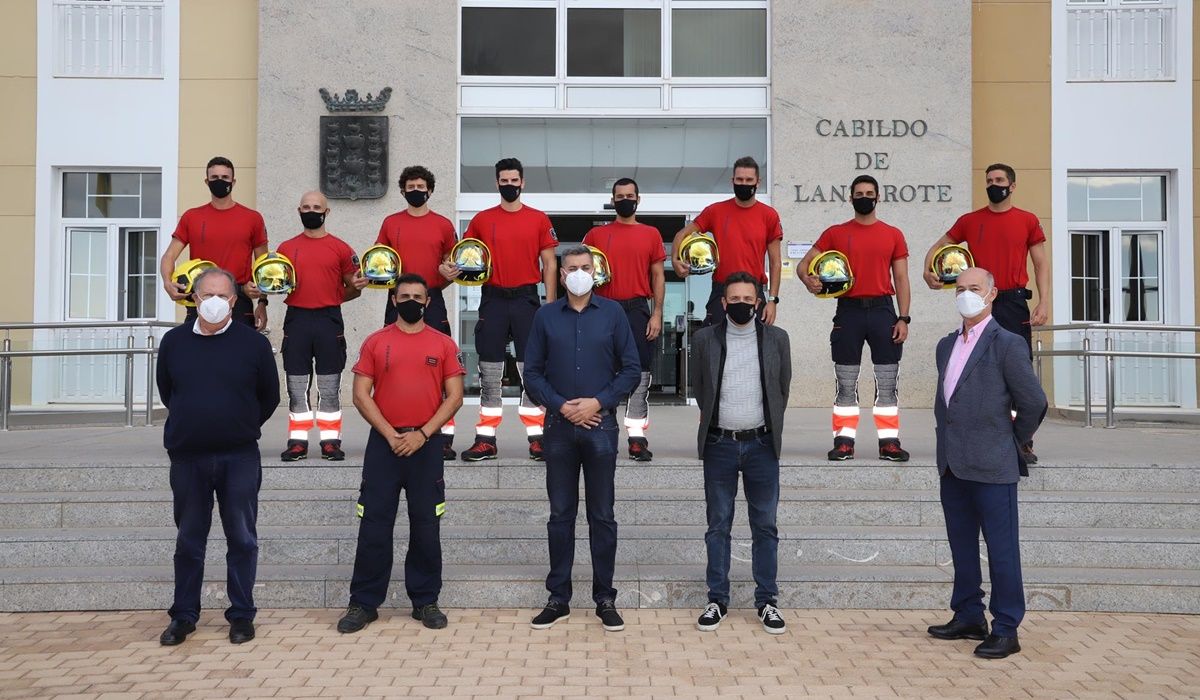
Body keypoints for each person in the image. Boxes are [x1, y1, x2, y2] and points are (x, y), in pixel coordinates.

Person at [154, 267, 280, 646]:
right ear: (193, 298)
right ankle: (184, 616)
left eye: (223, 296)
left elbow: (269, 397)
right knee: (189, 540)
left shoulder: (253, 344)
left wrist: (238, 423)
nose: (214, 302)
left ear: (234, 301)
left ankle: (241, 615)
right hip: (188, 457)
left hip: (238, 456)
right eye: (206, 295)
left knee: (242, 538)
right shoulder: (174, 342)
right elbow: (167, 391)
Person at [336, 273, 466, 633]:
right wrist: (392, 435)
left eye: (418, 296)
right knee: (374, 527)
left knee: (426, 527)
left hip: (425, 447)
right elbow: (361, 394)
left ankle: (425, 601)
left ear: (427, 302)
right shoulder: (376, 342)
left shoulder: (442, 343)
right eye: (404, 295)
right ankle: (363, 603)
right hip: (384, 446)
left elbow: (454, 395)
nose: (411, 300)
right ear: (393, 300)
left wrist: (423, 434)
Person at [522, 245, 640, 631]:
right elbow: (533, 373)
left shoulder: (613, 313)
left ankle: (605, 597)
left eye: (585, 267)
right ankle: (559, 598)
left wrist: (597, 403)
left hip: (601, 428)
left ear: (596, 271)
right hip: (558, 429)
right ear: (559, 273)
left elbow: (631, 370)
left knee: (602, 516)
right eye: (571, 267)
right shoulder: (544, 316)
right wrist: (562, 406)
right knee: (560, 516)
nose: (578, 273)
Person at [930, 267, 1046, 660]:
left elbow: (1033, 402)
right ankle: (967, 615)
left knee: (1001, 550)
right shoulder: (946, 345)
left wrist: (1012, 440)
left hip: (993, 466)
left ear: (992, 294)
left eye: (974, 289)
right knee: (961, 546)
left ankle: (1006, 626)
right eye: (960, 289)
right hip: (953, 465)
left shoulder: (1007, 343)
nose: (966, 295)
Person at [922, 163, 1049, 463]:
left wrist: (1044, 302)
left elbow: (1041, 263)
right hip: (980, 303)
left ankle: (1022, 440)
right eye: (989, 180)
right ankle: (982, 434)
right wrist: (928, 271)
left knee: (1018, 372)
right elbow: (939, 247)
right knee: (975, 369)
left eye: (1000, 180)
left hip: (1014, 300)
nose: (994, 184)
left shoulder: (1028, 220)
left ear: (1012, 185)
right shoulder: (969, 220)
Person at [689, 271, 792, 635]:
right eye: (735, 299)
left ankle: (767, 602)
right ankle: (717, 599)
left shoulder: (777, 339)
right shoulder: (704, 340)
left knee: (765, 526)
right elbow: (700, 388)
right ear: (723, 302)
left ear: (759, 303)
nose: (742, 305)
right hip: (720, 445)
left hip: (762, 445)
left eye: (749, 300)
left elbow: (782, 388)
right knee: (718, 525)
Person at [799, 175, 912, 462]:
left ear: (878, 197)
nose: (864, 197)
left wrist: (904, 318)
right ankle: (844, 442)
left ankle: (889, 443)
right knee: (846, 381)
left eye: (869, 193)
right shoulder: (835, 233)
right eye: (859, 193)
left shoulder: (894, 234)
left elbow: (901, 278)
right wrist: (808, 279)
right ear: (850, 198)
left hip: (883, 310)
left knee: (887, 382)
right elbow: (804, 266)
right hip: (848, 311)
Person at [458, 157, 558, 462]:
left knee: (532, 370)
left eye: (515, 180)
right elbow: (465, 257)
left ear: (523, 183)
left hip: (528, 300)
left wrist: (551, 304)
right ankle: (486, 439)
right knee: (490, 371)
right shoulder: (481, 220)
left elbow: (550, 263)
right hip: (493, 299)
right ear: (497, 183)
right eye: (505, 180)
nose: (510, 185)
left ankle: (538, 437)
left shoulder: (539, 218)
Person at [374, 165, 460, 460]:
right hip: (397, 301)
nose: (416, 191)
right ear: (402, 190)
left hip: (432, 300)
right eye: (410, 187)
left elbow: (454, 268)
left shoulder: (444, 225)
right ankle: (392, 431)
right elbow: (379, 263)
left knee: (441, 372)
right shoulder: (390, 222)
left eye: (421, 187)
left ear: (430, 190)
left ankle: (443, 436)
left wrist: (444, 276)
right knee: (392, 367)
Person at [277, 191, 368, 462]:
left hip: (329, 320)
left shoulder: (341, 248)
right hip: (297, 319)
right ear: (299, 211)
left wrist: (333, 296)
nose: (311, 211)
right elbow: (275, 282)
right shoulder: (285, 249)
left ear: (327, 212)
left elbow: (355, 287)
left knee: (329, 385)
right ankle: (297, 441)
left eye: (316, 207)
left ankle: (330, 441)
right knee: (296, 384)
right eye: (306, 207)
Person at [582, 177, 666, 461]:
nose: (625, 200)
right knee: (602, 371)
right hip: (603, 308)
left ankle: (636, 437)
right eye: (620, 196)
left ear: (638, 199)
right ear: (613, 200)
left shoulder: (651, 234)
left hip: (637, 310)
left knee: (639, 373)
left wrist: (656, 313)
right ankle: (603, 430)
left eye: (630, 195)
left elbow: (658, 276)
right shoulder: (595, 236)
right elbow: (581, 272)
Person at [160, 156, 269, 329]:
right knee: (199, 354)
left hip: (239, 298)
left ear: (233, 181)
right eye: (214, 178)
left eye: (225, 178)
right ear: (207, 181)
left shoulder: (252, 218)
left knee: (240, 355)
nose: (220, 181)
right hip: (202, 298)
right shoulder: (191, 217)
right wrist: (167, 282)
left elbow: (264, 266)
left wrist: (263, 302)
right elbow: (169, 255)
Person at [671, 156, 783, 326]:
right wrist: (675, 260)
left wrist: (773, 301)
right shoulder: (715, 211)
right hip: (722, 290)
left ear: (757, 182)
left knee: (757, 349)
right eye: (739, 179)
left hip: (754, 292)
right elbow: (682, 234)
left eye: (748, 180)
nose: (744, 183)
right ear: (732, 181)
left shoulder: (769, 215)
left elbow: (776, 263)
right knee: (715, 348)